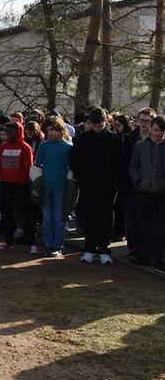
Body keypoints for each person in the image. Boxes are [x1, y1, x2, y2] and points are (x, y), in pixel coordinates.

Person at [69, 107, 123, 264]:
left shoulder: (114, 140)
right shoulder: (81, 139)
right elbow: (73, 161)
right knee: (89, 218)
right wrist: (81, 178)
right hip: (87, 186)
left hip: (107, 188)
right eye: (94, 125)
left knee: (105, 218)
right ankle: (90, 249)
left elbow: (119, 165)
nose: (97, 129)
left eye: (100, 125)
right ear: (90, 123)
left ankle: (104, 249)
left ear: (105, 122)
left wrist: (114, 184)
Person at [128, 114, 165, 271]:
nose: (158, 134)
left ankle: (158, 260)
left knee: (159, 228)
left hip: (161, 194)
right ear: (152, 129)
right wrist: (138, 182)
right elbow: (133, 167)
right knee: (143, 226)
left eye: (161, 131)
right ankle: (144, 257)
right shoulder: (140, 146)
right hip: (143, 192)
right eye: (156, 130)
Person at [33, 117, 73, 258]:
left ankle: (57, 246)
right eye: (48, 130)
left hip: (61, 187)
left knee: (59, 218)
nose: (49, 132)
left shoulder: (69, 147)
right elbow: (37, 167)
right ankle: (48, 244)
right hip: (46, 187)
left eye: (53, 129)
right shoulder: (44, 146)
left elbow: (71, 170)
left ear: (60, 129)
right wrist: (36, 187)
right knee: (47, 218)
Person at [0, 121, 37, 252]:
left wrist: (20, 181)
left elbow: (27, 167)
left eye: (11, 132)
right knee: (7, 213)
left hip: (20, 185)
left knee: (26, 214)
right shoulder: (3, 146)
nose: (8, 135)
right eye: (6, 132)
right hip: (5, 184)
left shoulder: (25, 147)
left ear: (18, 132)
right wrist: (0, 177)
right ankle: (8, 241)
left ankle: (32, 243)